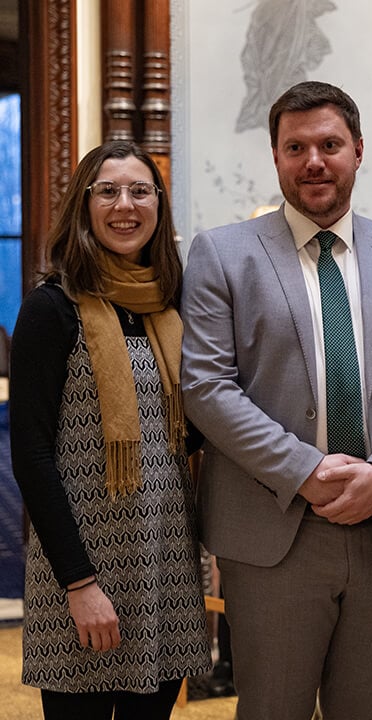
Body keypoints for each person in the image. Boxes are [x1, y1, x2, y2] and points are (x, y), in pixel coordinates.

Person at [180, 81, 372, 720]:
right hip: (275, 529)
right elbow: (206, 386)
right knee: (273, 708)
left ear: (357, 151)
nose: (314, 161)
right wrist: (305, 471)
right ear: (276, 156)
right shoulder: (222, 255)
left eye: (329, 144)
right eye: (295, 147)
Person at [11, 140, 210, 719]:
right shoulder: (52, 308)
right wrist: (79, 583)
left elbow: (184, 436)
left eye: (140, 190)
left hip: (164, 565)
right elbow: (31, 454)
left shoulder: (171, 307)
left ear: (158, 205)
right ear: (84, 204)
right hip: (82, 569)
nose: (125, 205)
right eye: (108, 191)